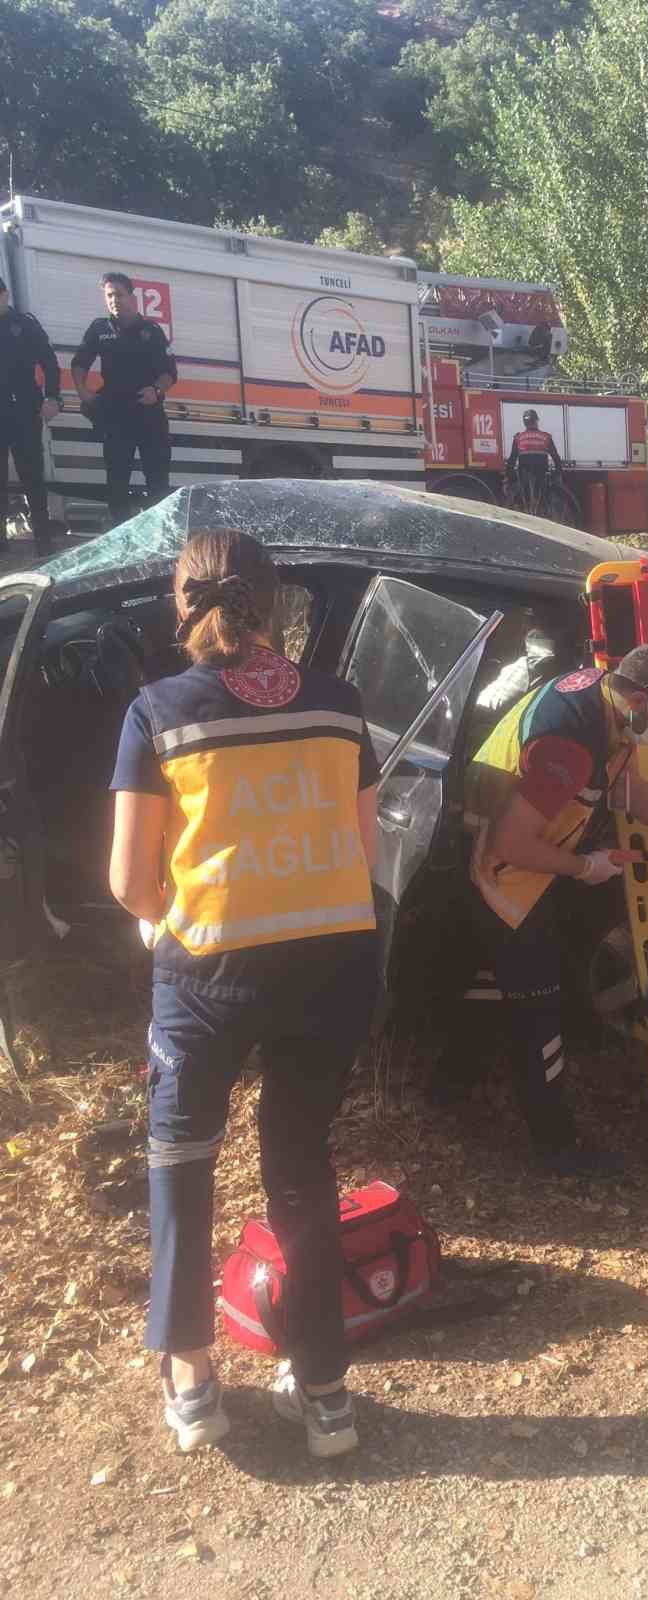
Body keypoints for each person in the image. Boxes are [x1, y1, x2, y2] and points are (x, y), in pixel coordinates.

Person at [109, 528, 379, 1459]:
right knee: (302, 1169)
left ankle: (192, 1384)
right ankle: (327, 1392)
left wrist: (158, 918)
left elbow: (128, 879)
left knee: (182, 1164)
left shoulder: (158, 711)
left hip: (210, 970)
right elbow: (362, 848)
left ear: (179, 604)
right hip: (331, 966)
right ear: (278, 602)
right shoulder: (342, 707)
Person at [454, 640, 648, 1176]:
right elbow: (509, 846)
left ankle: (460, 1079)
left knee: (538, 972)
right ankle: (555, 1147)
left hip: (532, 847)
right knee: (536, 1005)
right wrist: (587, 867)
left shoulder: (604, 699)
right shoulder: (569, 741)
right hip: (502, 869)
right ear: (641, 699)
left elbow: (624, 785)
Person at [71, 271, 176, 528]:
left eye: (119, 294)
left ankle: (160, 535)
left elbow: (170, 373)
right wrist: (83, 392)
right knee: (116, 481)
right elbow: (80, 363)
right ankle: (121, 536)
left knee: (158, 482)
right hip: (115, 416)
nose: (114, 300)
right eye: (109, 295)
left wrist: (157, 391)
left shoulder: (151, 330)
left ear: (131, 296)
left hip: (148, 414)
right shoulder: (99, 329)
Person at [0, 276, 61, 557]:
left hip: (24, 410)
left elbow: (49, 362)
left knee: (32, 478)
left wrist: (53, 397)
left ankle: (44, 544)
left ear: (5, 295)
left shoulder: (25, 324)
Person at [506, 408, 563, 512]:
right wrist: (557, 474)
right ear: (536, 421)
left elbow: (512, 460)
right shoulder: (546, 437)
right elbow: (556, 458)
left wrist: (511, 478)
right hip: (542, 477)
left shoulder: (518, 438)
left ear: (525, 423)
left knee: (520, 501)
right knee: (544, 502)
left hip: (524, 478)